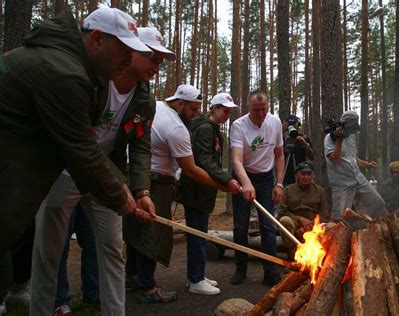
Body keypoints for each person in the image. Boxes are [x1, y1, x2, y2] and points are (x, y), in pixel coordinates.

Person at [0, 6, 153, 313]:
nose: (127, 61)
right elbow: (81, 148)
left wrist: (136, 189)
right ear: (97, 39)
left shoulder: (80, 70)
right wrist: (117, 194)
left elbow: (130, 147)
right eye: (124, 51)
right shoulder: (66, 73)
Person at [30, 22, 167, 316]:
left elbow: (140, 147)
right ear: (133, 52)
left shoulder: (145, 100)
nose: (157, 66)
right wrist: (118, 186)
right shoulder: (91, 79)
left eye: (160, 61)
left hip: (108, 178)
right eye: (153, 58)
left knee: (113, 251)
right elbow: (76, 142)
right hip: (65, 171)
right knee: (48, 253)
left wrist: (141, 189)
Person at [124, 85, 241, 303]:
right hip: (155, 181)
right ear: (180, 103)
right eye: (193, 109)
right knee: (152, 232)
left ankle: (132, 276)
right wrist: (224, 184)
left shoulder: (159, 107)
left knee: (138, 229)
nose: (196, 114)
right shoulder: (177, 127)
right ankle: (147, 288)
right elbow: (192, 167)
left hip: (141, 176)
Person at [179, 93, 240, 295]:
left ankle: (195, 275)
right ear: (214, 108)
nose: (227, 115)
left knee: (200, 232)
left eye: (230, 112)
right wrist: (226, 179)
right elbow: (204, 159)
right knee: (197, 234)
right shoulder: (205, 129)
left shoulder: (212, 129)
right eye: (224, 110)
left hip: (204, 190)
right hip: (196, 189)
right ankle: (196, 279)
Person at [230, 90, 285, 286]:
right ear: (248, 108)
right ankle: (240, 269)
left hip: (266, 179)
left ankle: (270, 271)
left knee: (268, 226)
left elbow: (279, 155)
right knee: (240, 227)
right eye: (256, 110)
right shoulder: (239, 126)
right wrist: (246, 183)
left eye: (264, 109)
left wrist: (279, 184)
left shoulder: (275, 122)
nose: (260, 114)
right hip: (243, 176)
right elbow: (236, 160)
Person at [324, 110, 386, 220]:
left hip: (358, 178)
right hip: (342, 183)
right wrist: (339, 141)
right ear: (346, 123)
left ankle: (365, 222)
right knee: (340, 217)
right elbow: (334, 159)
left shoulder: (351, 137)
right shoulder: (329, 138)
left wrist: (367, 164)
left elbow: (352, 157)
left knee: (377, 202)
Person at [54, 203, 100, 315]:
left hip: (89, 191)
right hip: (62, 191)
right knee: (59, 247)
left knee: (94, 242)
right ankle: (59, 303)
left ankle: (93, 295)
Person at [277, 162, 329, 259]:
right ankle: (292, 255)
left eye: (309, 174)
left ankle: (324, 258)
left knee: (331, 226)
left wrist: (311, 226)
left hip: (314, 224)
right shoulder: (288, 190)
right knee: (284, 220)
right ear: (297, 175)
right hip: (295, 222)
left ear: (313, 175)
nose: (306, 177)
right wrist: (299, 219)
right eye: (303, 174)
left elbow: (324, 214)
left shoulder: (320, 191)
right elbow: (282, 213)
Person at [282, 115, 315, 186]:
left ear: (298, 125)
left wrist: (305, 144)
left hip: (301, 176)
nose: (292, 127)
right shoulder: (281, 138)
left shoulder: (303, 138)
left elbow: (312, 157)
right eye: (290, 125)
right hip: (285, 177)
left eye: (294, 124)